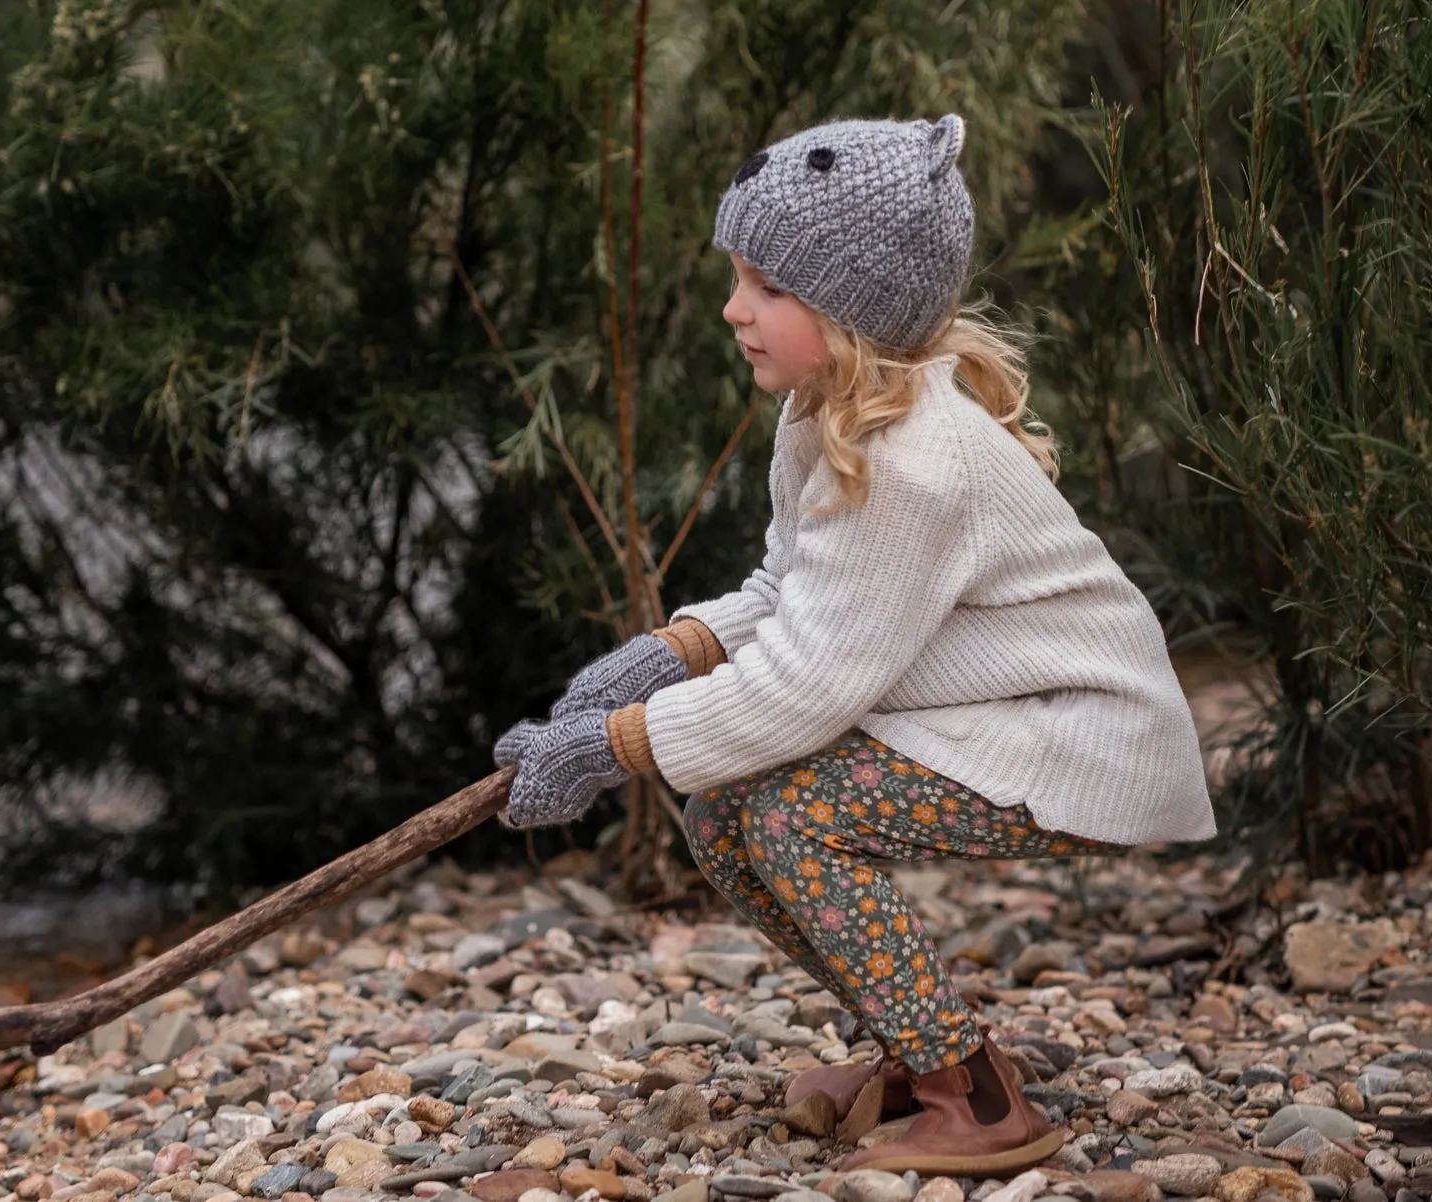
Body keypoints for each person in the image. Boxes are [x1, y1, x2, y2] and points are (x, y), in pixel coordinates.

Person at [492, 114, 1216, 1178]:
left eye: (770, 289)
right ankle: (910, 1048)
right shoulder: (835, 409)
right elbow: (792, 592)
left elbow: (803, 687)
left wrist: (616, 746)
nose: (734, 309)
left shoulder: (913, 465)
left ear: (853, 310)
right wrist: (674, 650)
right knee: (727, 815)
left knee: (787, 814)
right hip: (993, 716)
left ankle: (972, 1099)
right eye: (738, 277)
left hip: (1073, 734)